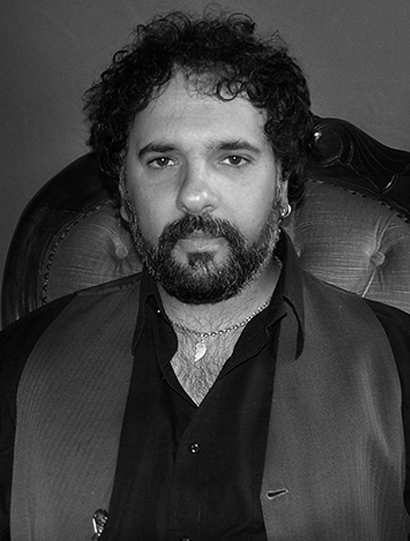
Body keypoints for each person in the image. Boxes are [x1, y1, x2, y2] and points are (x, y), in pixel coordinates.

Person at [1, 9, 410, 541]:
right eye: (162, 161)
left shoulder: (399, 366)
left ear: (284, 185)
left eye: (233, 159)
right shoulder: (18, 364)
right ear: (124, 194)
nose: (194, 195)